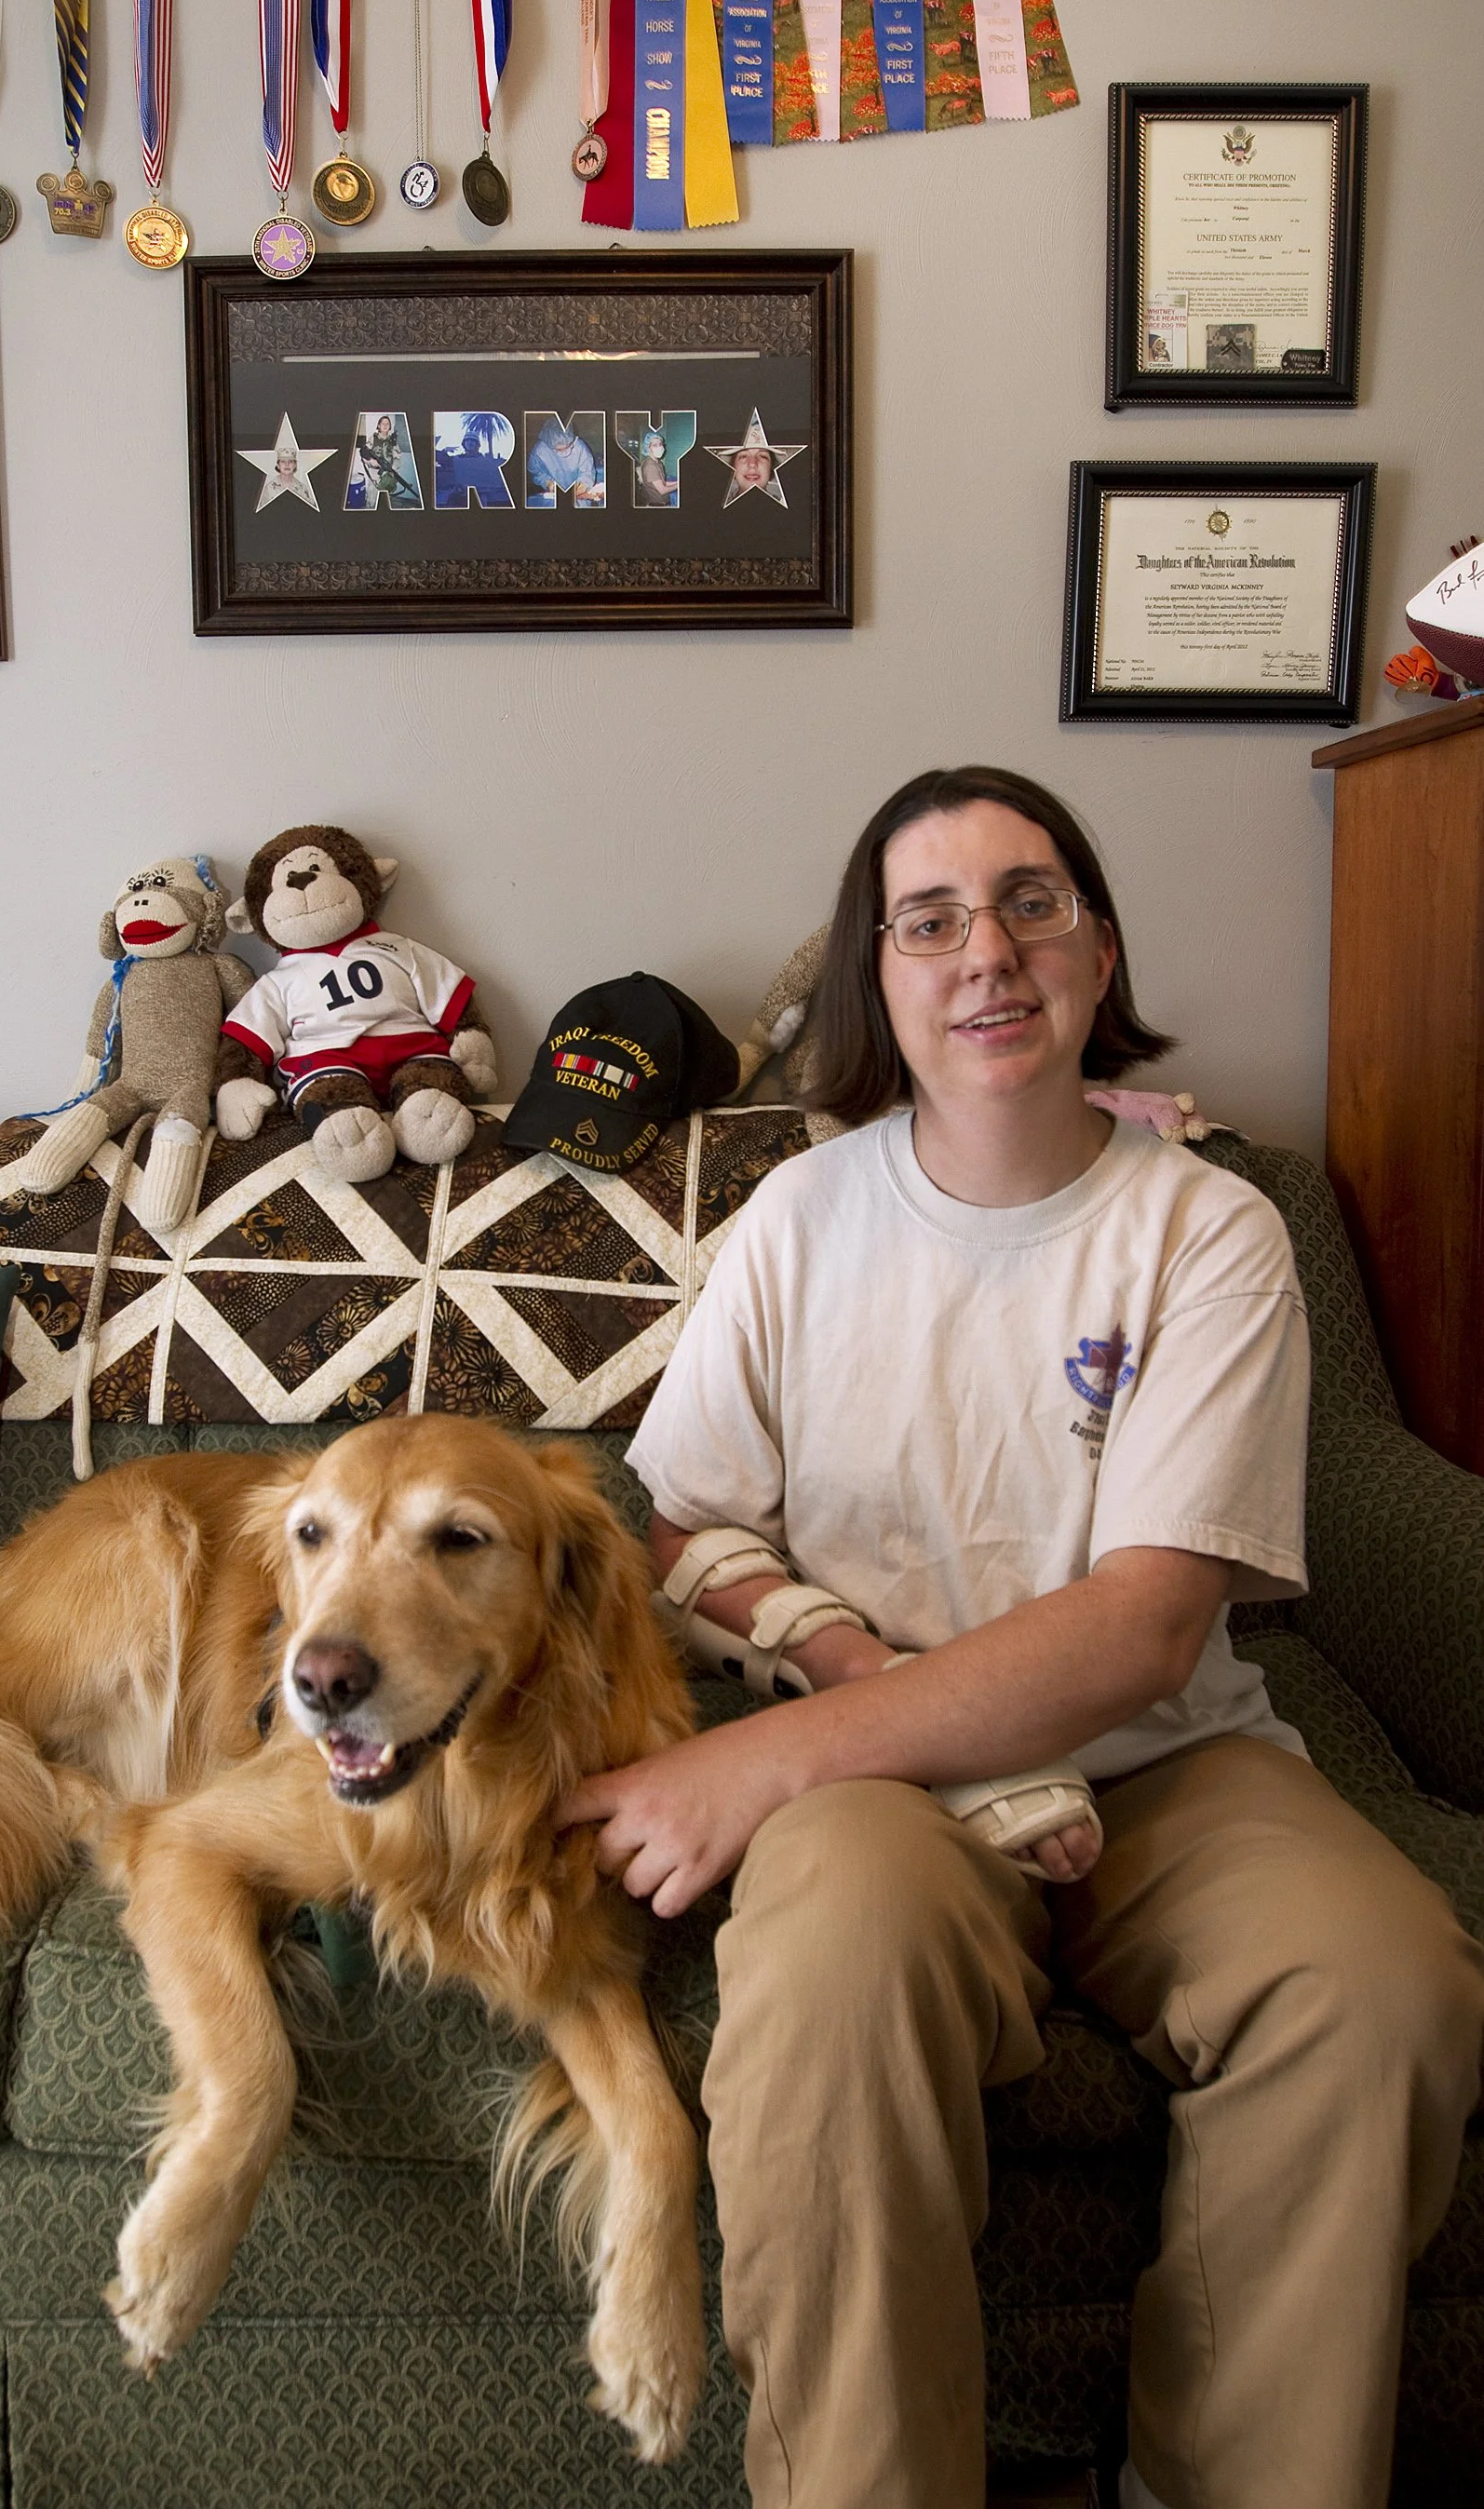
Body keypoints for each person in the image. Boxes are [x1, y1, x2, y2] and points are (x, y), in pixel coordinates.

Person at [563, 763, 1484, 2509]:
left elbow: (1147, 1629)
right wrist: (847, 1680)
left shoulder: (1214, 1228)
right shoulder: (799, 1223)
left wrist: (754, 1753)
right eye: (930, 921)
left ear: (1098, 949)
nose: (986, 951)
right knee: (833, 1979)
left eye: (1031, 903)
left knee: (1385, 1983)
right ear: (877, 984)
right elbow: (680, 1522)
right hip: (884, 1795)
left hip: (1169, 1768)